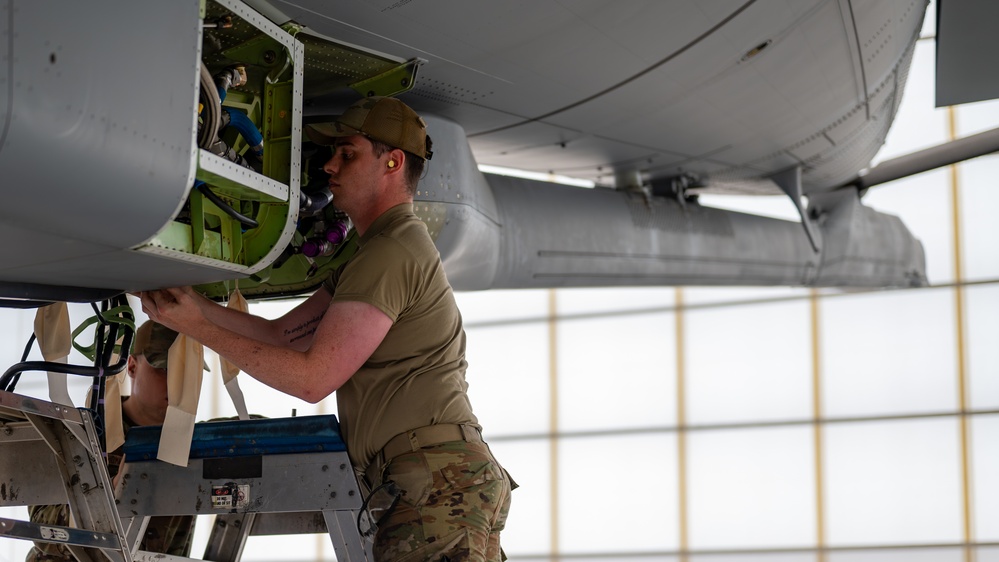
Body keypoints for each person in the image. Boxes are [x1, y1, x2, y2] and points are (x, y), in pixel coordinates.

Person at [140, 96, 514, 561]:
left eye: (348, 154)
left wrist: (195, 324)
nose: (330, 167)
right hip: (441, 479)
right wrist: (191, 308)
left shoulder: (391, 251)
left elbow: (313, 379)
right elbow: (281, 336)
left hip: (435, 483)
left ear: (393, 162)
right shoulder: (375, 252)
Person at [27, 321, 195, 562]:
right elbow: (42, 525)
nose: (178, 382)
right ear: (132, 367)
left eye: (187, 372)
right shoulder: (87, 432)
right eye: (165, 369)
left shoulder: (195, 443)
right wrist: (103, 505)